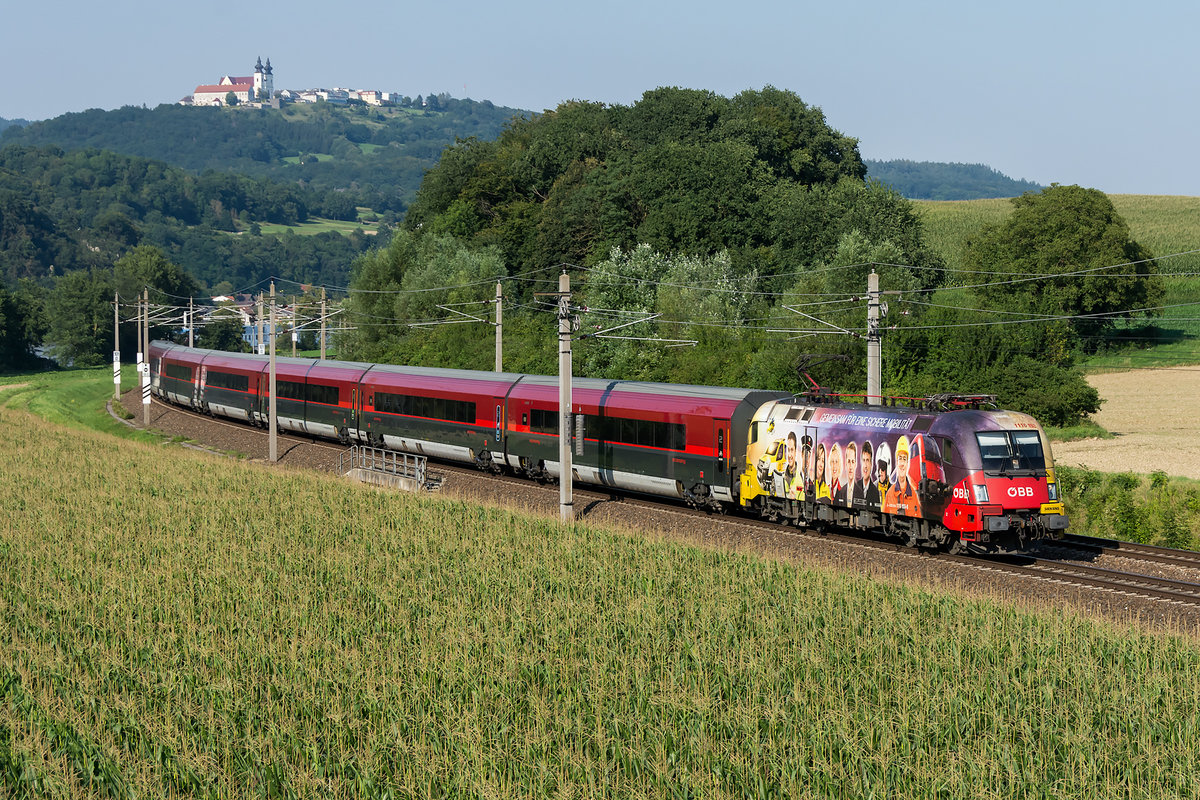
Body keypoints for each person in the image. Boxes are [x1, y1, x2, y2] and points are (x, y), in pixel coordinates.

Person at [884, 435, 922, 517]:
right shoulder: (890, 494)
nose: (902, 464)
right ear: (896, 462)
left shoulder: (914, 496)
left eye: (904, 459)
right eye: (900, 458)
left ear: (908, 463)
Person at [859, 440, 879, 508]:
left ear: (871, 464)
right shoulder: (855, 488)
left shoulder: (875, 492)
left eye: (867, 460)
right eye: (863, 460)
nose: (865, 466)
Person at [844, 442, 859, 508]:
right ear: (846, 464)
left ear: (855, 464)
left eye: (852, 462)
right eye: (849, 461)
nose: (850, 467)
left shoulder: (860, 493)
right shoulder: (841, 492)